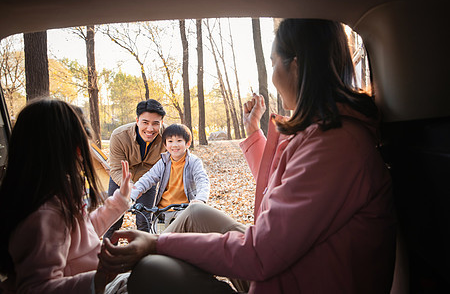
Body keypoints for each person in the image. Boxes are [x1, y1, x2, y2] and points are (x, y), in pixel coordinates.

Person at [99, 19, 397, 294]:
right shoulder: (326, 132)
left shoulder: (335, 144)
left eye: (273, 62)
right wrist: (253, 131)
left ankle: (122, 283)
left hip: (291, 277)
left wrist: (157, 243)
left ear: (295, 66)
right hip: (291, 265)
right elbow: (281, 186)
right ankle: (123, 279)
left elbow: (260, 253)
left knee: (152, 270)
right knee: (194, 214)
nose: (274, 74)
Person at [0, 98, 133, 293]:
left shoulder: (58, 194)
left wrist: (119, 201)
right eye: (84, 141)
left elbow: (81, 234)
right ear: (74, 149)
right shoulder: (45, 214)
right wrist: (100, 277)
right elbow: (37, 288)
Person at [103, 99, 166, 239]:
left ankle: (144, 257)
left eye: (155, 123)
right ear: (137, 120)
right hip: (122, 178)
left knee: (144, 220)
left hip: (148, 180)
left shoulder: (168, 136)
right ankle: (107, 255)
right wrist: (128, 185)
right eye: (145, 122)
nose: (150, 129)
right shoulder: (119, 136)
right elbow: (115, 168)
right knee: (113, 220)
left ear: (161, 123)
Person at [131, 123, 209, 227]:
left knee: (184, 239)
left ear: (188, 143)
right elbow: (148, 178)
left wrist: (200, 199)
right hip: (162, 211)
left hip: (184, 210)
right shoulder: (163, 162)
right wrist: (131, 195)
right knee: (158, 239)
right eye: (170, 141)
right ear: (165, 145)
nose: (175, 145)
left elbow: (202, 181)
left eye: (179, 141)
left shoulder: (194, 162)